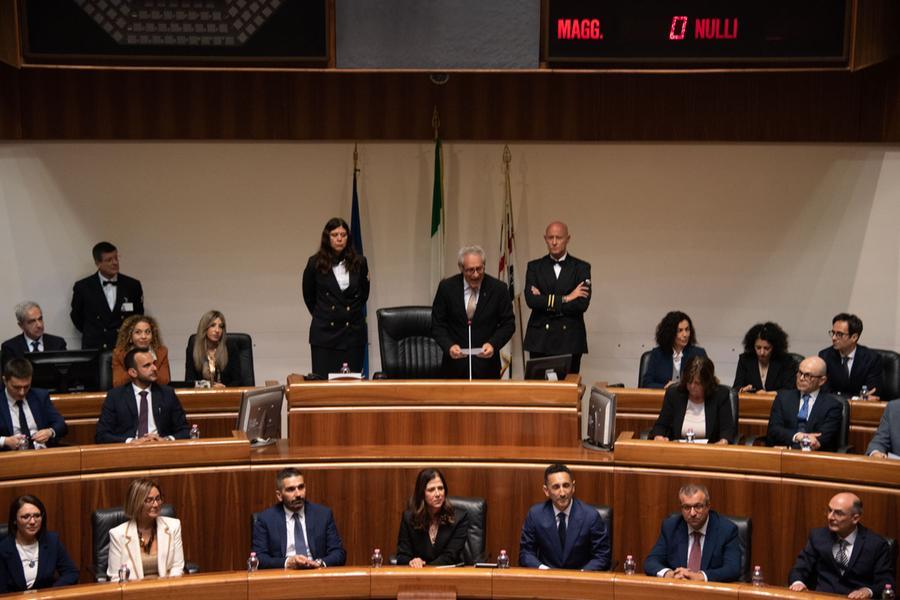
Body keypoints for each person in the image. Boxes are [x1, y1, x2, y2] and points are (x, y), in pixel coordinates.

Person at [788, 492, 894, 598]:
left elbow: (886, 582)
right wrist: (798, 582)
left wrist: (868, 591)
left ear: (855, 518)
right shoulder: (818, 536)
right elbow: (800, 568)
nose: (830, 517)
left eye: (838, 513)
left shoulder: (876, 544)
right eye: (829, 510)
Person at [431, 246, 515, 379]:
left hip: (487, 368)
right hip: (454, 367)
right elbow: (437, 325)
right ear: (461, 268)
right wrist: (449, 346)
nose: (476, 274)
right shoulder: (446, 288)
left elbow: (508, 324)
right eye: (470, 270)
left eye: (479, 269)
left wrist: (493, 344)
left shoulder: (498, 289)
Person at [301, 217, 370, 378]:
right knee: (324, 387)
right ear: (327, 237)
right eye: (334, 234)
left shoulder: (360, 262)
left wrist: (348, 313)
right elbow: (309, 296)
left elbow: (363, 294)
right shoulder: (315, 263)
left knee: (352, 386)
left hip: (352, 333)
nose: (339, 238)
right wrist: (325, 314)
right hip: (325, 334)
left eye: (343, 234)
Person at [523, 221, 591, 374]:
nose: (554, 242)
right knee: (539, 392)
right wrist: (567, 298)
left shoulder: (581, 267)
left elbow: (581, 304)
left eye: (559, 238)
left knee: (568, 392)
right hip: (540, 339)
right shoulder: (534, 267)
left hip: (569, 339)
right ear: (545, 239)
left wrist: (544, 300)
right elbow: (531, 301)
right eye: (550, 237)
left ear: (568, 238)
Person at [519, 463, 610, 571]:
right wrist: (545, 571)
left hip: (580, 581)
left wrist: (581, 574)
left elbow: (602, 556)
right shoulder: (535, 515)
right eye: (556, 487)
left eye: (566, 486)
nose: (562, 493)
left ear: (573, 487)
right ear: (546, 491)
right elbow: (526, 553)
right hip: (547, 580)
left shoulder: (590, 516)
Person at [252, 467, 346, 569]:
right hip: (284, 576)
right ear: (279, 495)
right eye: (291, 489)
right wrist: (288, 562)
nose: (298, 494)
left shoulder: (323, 515)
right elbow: (259, 558)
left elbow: (338, 552)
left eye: (301, 487)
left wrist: (319, 563)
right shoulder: (266, 519)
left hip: (318, 573)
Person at [644, 483, 741, 582]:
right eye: (686, 507)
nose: (692, 513)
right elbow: (651, 562)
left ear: (708, 506)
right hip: (678, 590)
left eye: (698, 506)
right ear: (681, 508)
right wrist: (670, 574)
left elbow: (732, 569)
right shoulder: (671, 527)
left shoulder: (726, 530)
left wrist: (700, 576)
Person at [95, 348, 190, 444]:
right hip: (129, 452)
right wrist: (131, 441)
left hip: (160, 449)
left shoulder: (167, 393)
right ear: (133, 372)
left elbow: (185, 431)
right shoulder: (115, 396)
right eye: (147, 365)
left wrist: (166, 440)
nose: (154, 368)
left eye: (153, 363)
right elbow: (101, 435)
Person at [70, 241, 144, 350]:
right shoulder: (83, 287)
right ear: (98, 263)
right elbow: (77, 317)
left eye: (116, 258)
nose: (115, 262)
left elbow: (138, 316)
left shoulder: (132, 285)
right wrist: (95, 332)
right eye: (109, 260)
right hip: (95, 348)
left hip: (124, 347)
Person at [108, 478, 184, 581]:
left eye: (158, 498)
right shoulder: (118, 534)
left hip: (167, 590)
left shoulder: (173, 526)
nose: (156, 504)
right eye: (149, 500)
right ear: (136, 502)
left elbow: (177, 568)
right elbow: (116, 577)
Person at [0, 495, 78, 592]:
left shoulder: (52, 541)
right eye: (26, 517)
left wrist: (52, 592)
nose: (33, 522)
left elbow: (71, 572)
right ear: (15, 520)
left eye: (37, 516)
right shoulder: (3, 549)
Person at [396, 468, 471, 567]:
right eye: (431, 490)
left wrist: (426, 569)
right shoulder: (409, 518)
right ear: (421, 493)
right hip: (417, 577)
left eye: (440, 488)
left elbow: (450, 557)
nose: (438, 494)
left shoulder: (459, 518)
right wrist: (412, 561)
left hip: (449, 575)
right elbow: (402, 556)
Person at [649, 356, 734, 444]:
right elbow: (661, 425)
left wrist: (723, 442)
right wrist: (658, 437)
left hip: (709, 452)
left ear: (707, 382)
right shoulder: (674, 394)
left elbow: (727, 430)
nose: (692, 386)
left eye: (697, 383)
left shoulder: (720, 395)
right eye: (689, 381)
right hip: (678, 450)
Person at [766, 356, 843, 451]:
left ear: (822, 380)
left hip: (814, 459)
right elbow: (774, 430)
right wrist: (798, 436)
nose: (801, 378)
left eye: (808, 376)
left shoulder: (832, 405)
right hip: (781, 455)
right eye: (800, 373)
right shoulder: (783, 397)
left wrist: (790, 448)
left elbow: (822, 440)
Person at [0, 358, 67, 450]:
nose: (22, 392)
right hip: (10, 458)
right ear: (5, 381)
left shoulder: (40, 396)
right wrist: (4, 441)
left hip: (42, 453)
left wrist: (49, 432)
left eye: (26, 386)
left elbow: (61, 424)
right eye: (16, 387)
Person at [819, 313, 884, 400]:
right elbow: (824, 391)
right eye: (833, 333)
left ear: (854, 337)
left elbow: (872, 393)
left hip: (860, 410)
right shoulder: (825, 356)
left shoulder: (872, 359)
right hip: (832, 407)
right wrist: (855, 398)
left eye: (839, 334)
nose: (834, 338)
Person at [641, 311, 707, 388]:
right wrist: (665, 387)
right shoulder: (657, 354)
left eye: (687, 329)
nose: (685, 334)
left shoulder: (698, 354)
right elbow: (646, 383)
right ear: (670, 333)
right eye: (680, 331)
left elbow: (707, 382)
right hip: (663, 398)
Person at [184, 310, 243, 388]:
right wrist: (205, 386)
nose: (217, 330)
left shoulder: (230, 347)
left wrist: (225, 388)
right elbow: (189, 380)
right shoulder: (193, 348)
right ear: (204, 328)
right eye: (213, 325)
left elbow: (238, 381)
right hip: (201, 396)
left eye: (220, 326)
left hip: (226, 395)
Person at [732, 322, 796, 392]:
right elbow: (736, 388)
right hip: (751, 401)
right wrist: (742, 390)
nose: (762, 352)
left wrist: (767, 395)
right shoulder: (745, 360)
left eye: (767, 348)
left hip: (778, 402)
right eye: (758, 347)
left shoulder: (786, 361)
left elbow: (789, 390)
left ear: (774, 347)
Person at [0, 302, 67, 367]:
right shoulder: (10, 348)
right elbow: (11, 376)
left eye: (40, 319)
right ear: (21, 325)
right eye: (32, 321)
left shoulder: (58, 343)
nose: (39, 325)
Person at [111, 315, 171, 388]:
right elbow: (118, 383)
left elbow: (164, 381)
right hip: (129, 394)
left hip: (154, 392)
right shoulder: (119, 353)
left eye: (147, 332)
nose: (143, 336)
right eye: (138, 332)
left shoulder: (161, 352)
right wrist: (144, 371)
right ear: (130, 336)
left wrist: (139, 373)